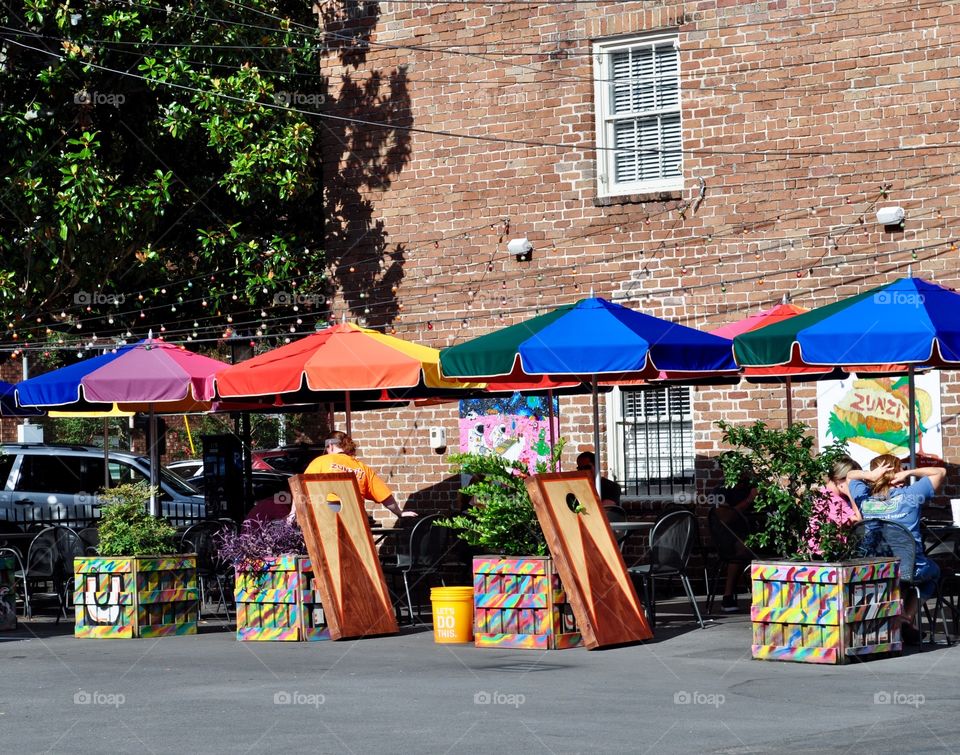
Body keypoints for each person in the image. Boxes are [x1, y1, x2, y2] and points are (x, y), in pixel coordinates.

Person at [847, 454, 945, 644]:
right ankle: (906, 617)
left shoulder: (865, 499)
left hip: (875, 570)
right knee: (933, 572)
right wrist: (910, 472)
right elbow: (940, 472)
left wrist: (869, 475)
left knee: (900, 578)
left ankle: (899, 618)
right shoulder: (910, 495)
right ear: (898, 472)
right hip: (909, 570)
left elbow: (850, 476)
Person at [287, 431, 417, 524]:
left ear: (330, 446)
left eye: (326, 448)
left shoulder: (320, 462)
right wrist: (399, 513)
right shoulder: (362, 467)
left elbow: (300, 489)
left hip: (326, 518)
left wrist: (293, 514)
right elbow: (385, 496)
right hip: (355, 519)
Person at [712, 472, 758, 613]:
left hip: (754, 531)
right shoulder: (722, 490)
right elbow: (726, 518)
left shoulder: (751, 486)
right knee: (742, 549)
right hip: (729, 535)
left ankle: (765, 594)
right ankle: (728, 596)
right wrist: (749, 500)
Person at [807, 456, 862, 554]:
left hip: (812, 551)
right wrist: (850, 493)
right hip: (826, 554)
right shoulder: (836, 500)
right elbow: (858, 521)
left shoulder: (823, 492)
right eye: (853, 482)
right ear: (842, 479)